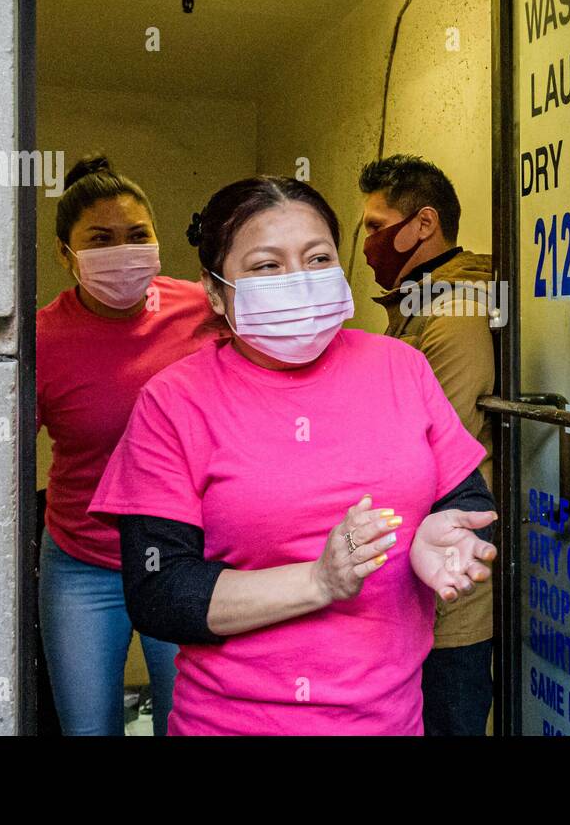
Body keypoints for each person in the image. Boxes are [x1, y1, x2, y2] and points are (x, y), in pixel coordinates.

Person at [87, 175, 499, 735]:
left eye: (317, 258)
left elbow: (467, 497)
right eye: (266, 266)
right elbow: (160, 593)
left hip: (392, 721)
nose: (298, 281)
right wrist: (318, 583)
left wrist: (438, 534)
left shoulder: (401, 368)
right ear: (214, 291)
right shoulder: (174, 402)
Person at [36, 154, 223, 735]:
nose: (123, 252)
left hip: (185, 557)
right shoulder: (42, 339)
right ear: (67, 254)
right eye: (101, 239)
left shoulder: (202, 311)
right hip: (81, 564)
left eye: (137, 236)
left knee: (188, 720)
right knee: (89, 728)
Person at [359, 154, 498, 736]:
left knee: (447, 716)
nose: (366, 242)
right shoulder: (418, 306)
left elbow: (440, 451)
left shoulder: (450, 315)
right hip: (426, 567)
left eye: (374, 225)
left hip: (450, 582)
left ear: (423, 224)